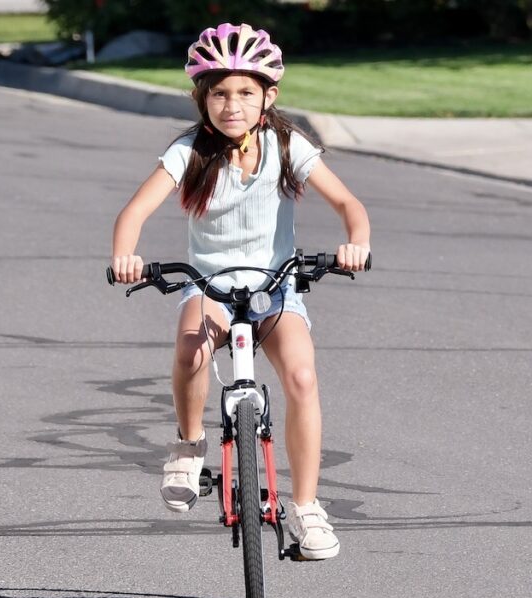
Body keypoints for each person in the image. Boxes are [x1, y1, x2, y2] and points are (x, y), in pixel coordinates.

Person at [110, 22, 371, 560]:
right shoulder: (189, 152)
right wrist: (125, 256)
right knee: (190, 350)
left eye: (246, 93)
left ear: (268, 96)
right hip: (209, 286)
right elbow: (134, 211)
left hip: (276, 289)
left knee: (301, 375)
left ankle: (307, 508)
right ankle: (187, 447)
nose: (232, 105)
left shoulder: (285, 143)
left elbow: (349, 205)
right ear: (201, 98)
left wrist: (356, 242)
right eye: (219, 94)